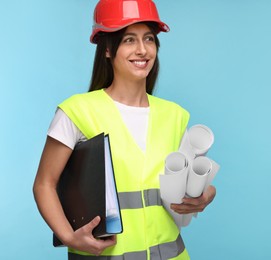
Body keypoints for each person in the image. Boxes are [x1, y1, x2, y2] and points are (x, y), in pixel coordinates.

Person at [32, 0, 216, 259]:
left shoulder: (174, 115)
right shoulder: (77, 112)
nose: (142, 50)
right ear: (107, 48)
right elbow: (44, 184)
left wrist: (206, 194)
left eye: (149, 39)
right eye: (129, 40)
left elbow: (189, 183)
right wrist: (68, 236)